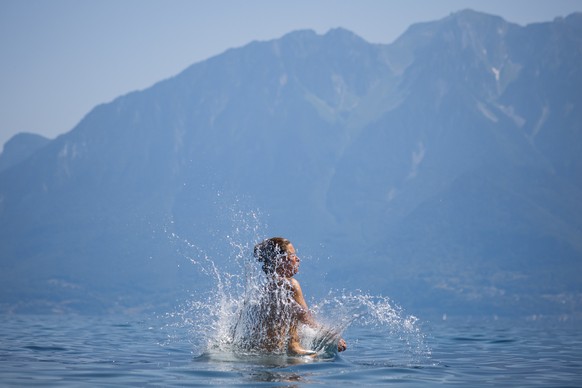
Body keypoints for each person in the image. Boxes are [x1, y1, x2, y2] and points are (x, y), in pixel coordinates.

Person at [252, 237, 347, 356]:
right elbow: (307, 319)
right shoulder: (291, 285)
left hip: (264, 355)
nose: (297, 259)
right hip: (293, 357)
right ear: (280, 260)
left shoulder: (265, 290)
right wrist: (333, 339)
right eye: (292, 255)